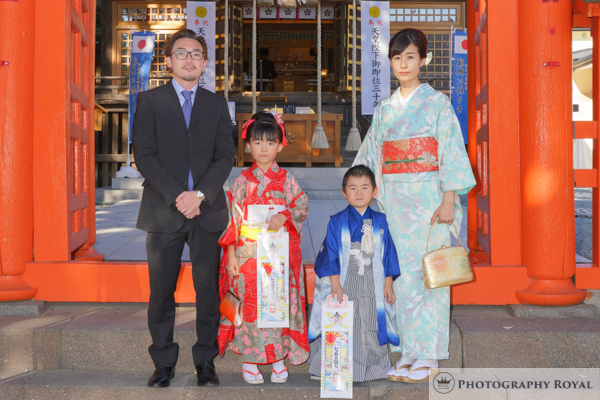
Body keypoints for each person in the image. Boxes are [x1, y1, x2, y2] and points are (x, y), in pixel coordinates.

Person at [353, 28, 476, 383]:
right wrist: (365, 192)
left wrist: (449, 198)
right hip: (393, 200)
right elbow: (372, 155)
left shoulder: (437, 103)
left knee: (430, 273)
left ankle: (429, 353)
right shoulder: (385, 109)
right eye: (397, 57)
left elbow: (450, 150)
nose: (403, 64)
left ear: (424, 59)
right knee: (399, 276)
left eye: (410, 57)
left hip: (429, 201)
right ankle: (408, 349)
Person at [132, 29, 235, 388]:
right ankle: (163, 361)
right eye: (181, 53)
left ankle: (206, 360)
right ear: (168, 60)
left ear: (205, 63)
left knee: (208, 289)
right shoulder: (150, 101)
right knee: (161, 290)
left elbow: (225, 156)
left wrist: (199, 195)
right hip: (164, 209)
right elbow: (144, 155)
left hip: (207, 210)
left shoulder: (216, 104)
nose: (189, 59)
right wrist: (180, 195)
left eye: (196, 54)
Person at [217, 111, 310, 384]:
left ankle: (278, 359)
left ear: (280, 145)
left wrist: (285, 214)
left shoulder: (287, 180)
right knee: (251, 307)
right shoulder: (241, 181)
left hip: (276, 254)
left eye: (270, 142)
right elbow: (232, 220)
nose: (264, 148)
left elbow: (301, 205)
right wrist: (231, 255)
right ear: (248, 146)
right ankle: (250, 360)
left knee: (277, 302)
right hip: (247, 254)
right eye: (257, 142)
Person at [306, 165, 401, 382]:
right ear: (344, 192)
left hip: (373, 279)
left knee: (371, 321)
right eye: (352, 188)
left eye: (365, 187)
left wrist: (388, 284)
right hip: (345, 279)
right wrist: (335, 284)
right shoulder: (337, 221)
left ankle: (374, 368)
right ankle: (329, 368)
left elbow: (388, 254)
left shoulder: (381, 220)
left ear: (374, 191)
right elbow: (330, 254)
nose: (359, 193)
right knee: (342, 321)